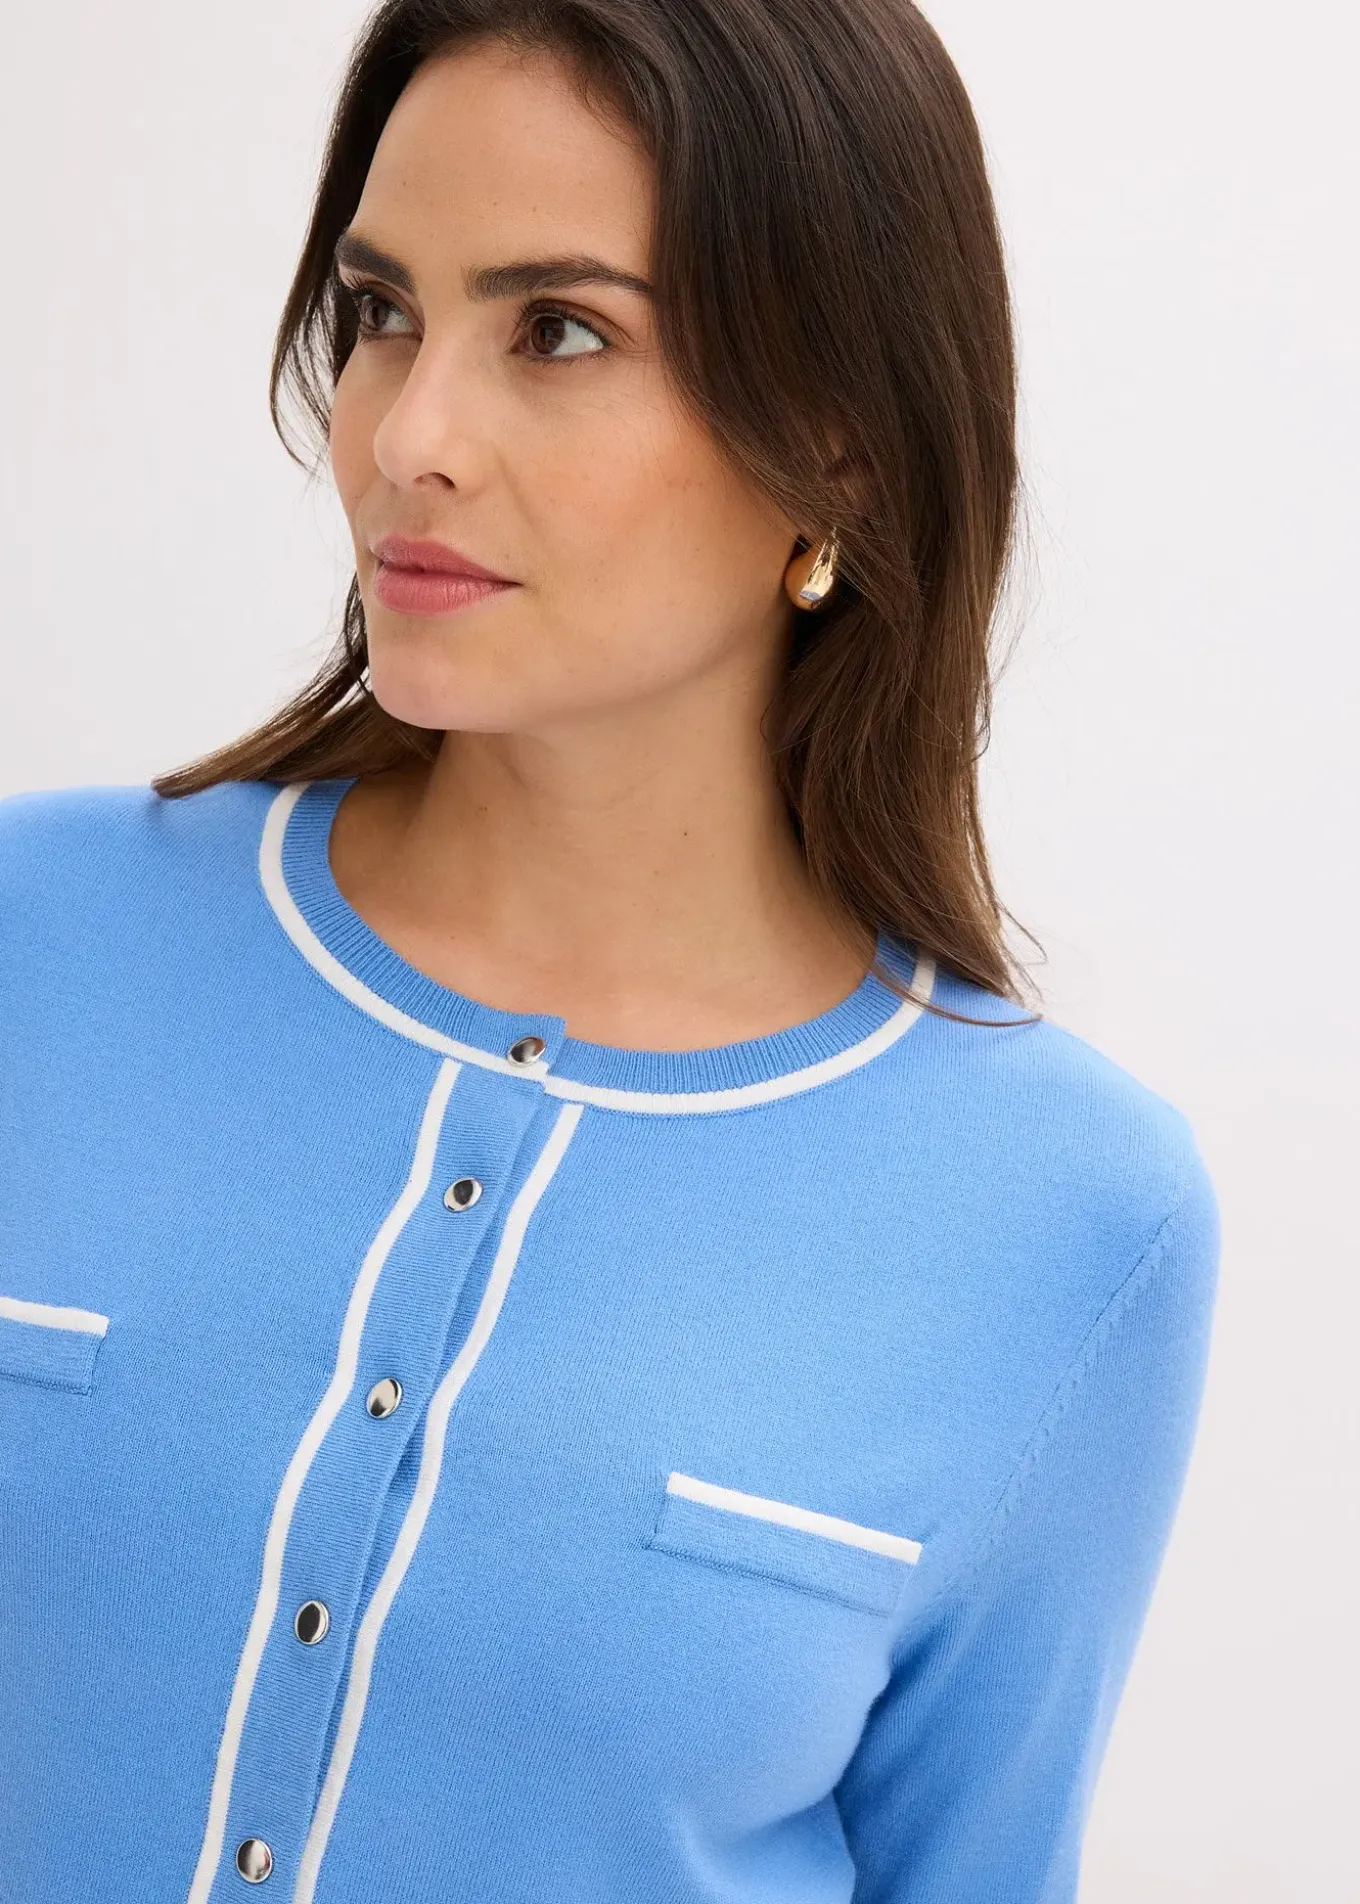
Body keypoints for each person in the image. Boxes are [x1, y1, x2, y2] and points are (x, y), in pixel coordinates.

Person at [0, 1, 1219, 1899]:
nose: (410, 436)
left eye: (559, 331)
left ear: (840, 451)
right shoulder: (38, 943)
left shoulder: (1071, 1221)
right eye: (382, 310)